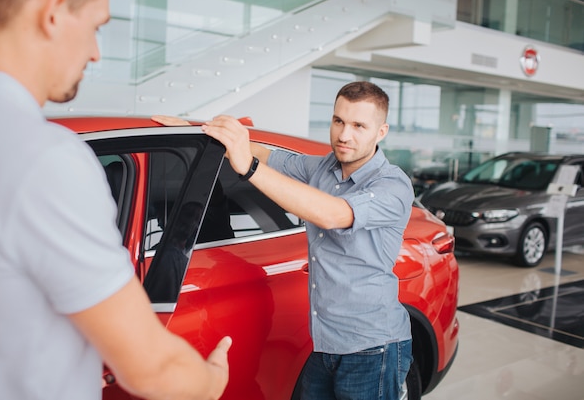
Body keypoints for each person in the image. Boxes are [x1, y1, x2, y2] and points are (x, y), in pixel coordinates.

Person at [0, 0, 231, 400]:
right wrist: (211, 381)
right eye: (96, 27)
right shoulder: (44, 159)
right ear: (53, 12)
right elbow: (153, 370)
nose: (95, 53)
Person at [153, 80, 414, 400]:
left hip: (373, 348)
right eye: (338, 121)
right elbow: (266, 154)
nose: (344, 135)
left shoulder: (393, 186)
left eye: (359, 125)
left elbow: (332, 214)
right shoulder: (321, 168)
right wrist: (197, 130)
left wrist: (247, 168)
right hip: (325, 343)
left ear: (381, 132)